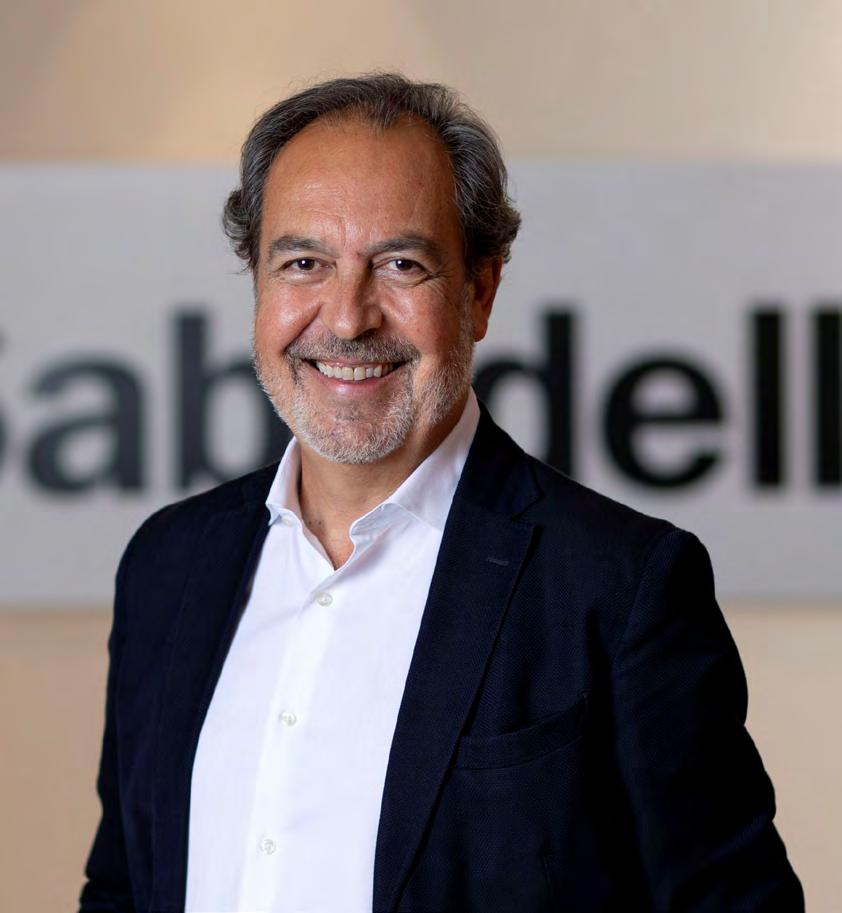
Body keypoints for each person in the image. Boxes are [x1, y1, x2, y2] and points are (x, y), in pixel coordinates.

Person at [79, 73, 804, 913]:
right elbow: (124, 886)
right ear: (257, 282)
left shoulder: (619, 589)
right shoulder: (167, 566)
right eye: (304, 263)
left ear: (479, 290)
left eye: (400, 264)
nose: (347, 318)